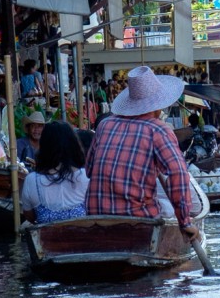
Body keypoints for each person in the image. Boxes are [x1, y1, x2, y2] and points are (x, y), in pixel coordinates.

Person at [85, 66, 199, 241]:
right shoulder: (158, 130)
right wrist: (185, 222)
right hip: (138, 221)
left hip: (96, 219)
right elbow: (178, 175)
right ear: (159, 105)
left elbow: (89, 170)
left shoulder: (104, 125)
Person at [21, 121, 89, 224]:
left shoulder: (32, 180)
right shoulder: (86, 176)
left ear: (43, 146)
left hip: (46, 239)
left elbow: (30, 217)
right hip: (82, 238)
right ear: (74, 145)